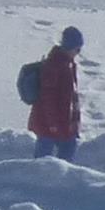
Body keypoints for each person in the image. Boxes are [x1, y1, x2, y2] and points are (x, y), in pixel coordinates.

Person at [25, 24, 84, 157]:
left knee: (68, 148)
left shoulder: (68, 64)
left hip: (63, 123)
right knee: (43, 159)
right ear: (70, 47)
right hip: (49, 123)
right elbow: (47, 97)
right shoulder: (54, 65)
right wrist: (52, 124)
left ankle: (61, 171)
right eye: (77, 48)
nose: (78, 52)